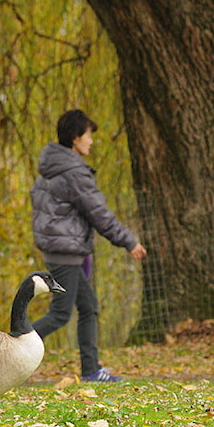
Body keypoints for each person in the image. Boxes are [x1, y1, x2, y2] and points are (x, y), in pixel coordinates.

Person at [30, 109, 146, 382]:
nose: (91, 141)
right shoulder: (73, 172)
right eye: (88, 135)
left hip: (60, 249)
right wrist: (128, 241)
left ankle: (91, 370)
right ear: (75, 137)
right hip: (65, 252)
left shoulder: (52, 167)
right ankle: (7, 350)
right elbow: (99, 213)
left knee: (89, 306)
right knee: (60, 314)